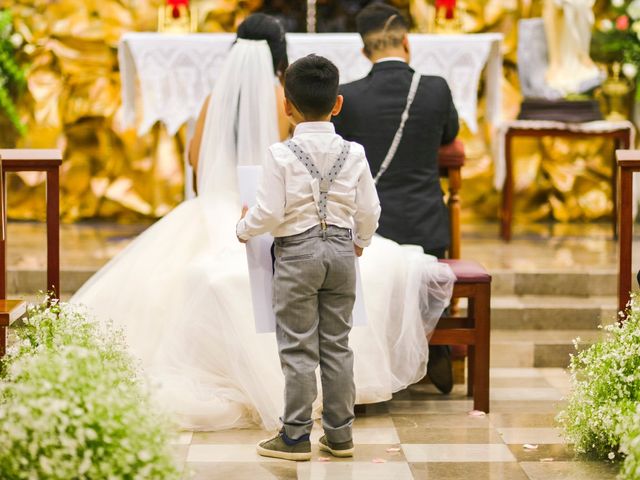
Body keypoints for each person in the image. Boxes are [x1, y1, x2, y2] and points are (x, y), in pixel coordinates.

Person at [71, 13, 455, 432]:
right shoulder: (284, 101)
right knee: (343, 321)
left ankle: (282, 418)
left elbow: (195, 159)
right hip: (303, 227)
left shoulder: (216, 96)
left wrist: (232, 209)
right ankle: (337, 419)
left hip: (220, 209)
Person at [236, 54, 380, 461]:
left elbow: (268, 213)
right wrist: (360, 242)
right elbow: (370, 209)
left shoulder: (280, 154)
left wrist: (243, 228)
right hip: (340, 251)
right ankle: (339, 435)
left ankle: (296, 435)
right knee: (337, 345)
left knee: (298, 348)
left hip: (297, 255)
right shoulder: (354, 152)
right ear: (337, 103)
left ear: (287, 105)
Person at [333, 3, 459, 394]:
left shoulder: (347, 97)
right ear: (407, 41)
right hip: (427, 228)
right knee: (424, 258)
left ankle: (378, 354)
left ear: (363, 50)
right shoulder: (435, 88)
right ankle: (430, 336)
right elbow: (448, 135)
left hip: (372, 234)